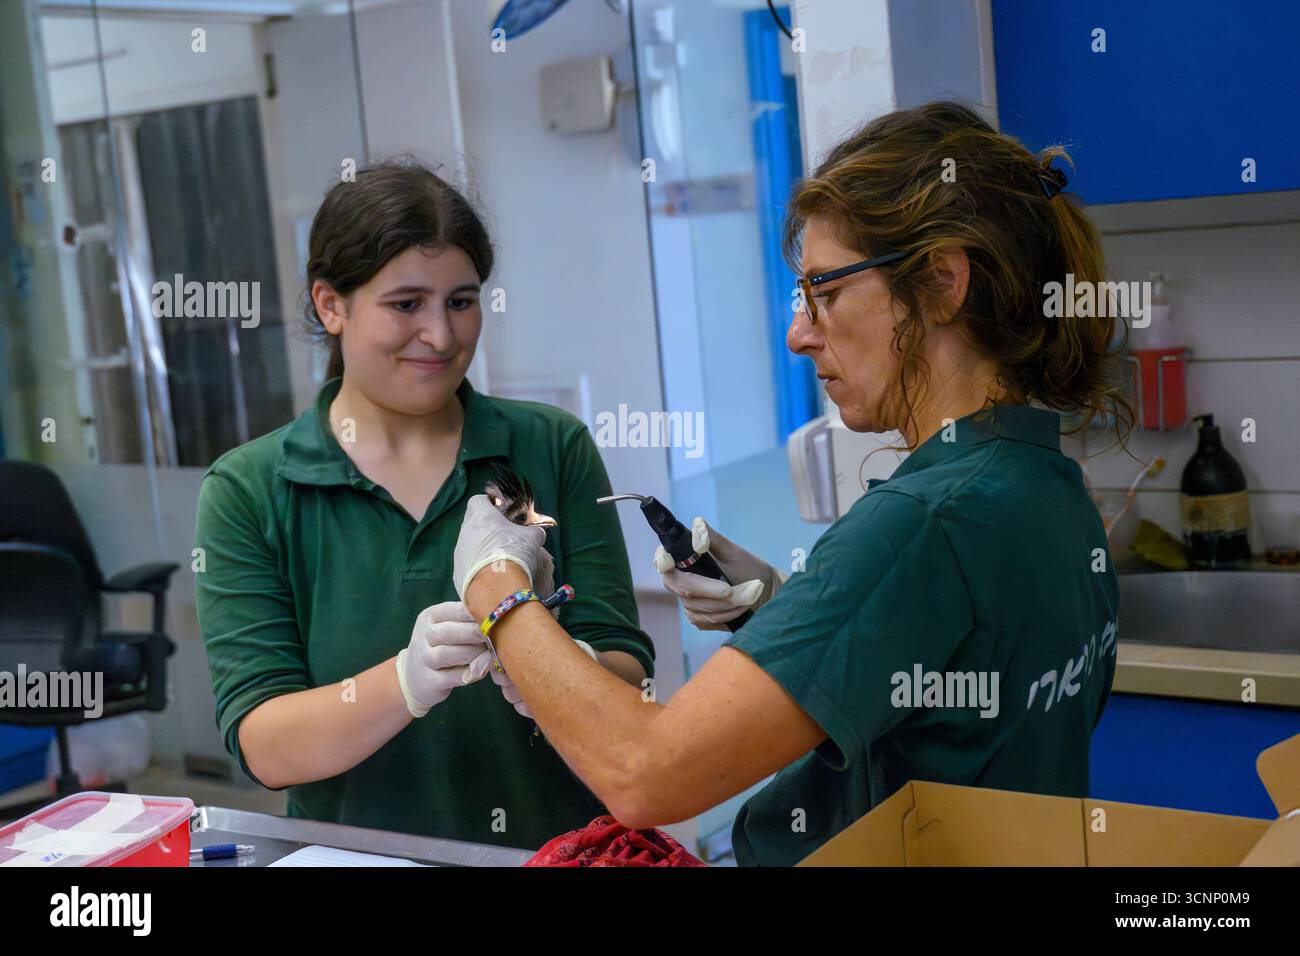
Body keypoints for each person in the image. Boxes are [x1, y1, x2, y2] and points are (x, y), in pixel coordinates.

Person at [452, 102, 1128, 866]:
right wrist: (785, 621)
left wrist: (495, 591)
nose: (799, 333)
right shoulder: (1050, 488)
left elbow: (644, 773)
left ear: (941, 284)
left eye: (826, 292)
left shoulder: (924, 519)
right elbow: (956, 720)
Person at [194, 162, 653, 849]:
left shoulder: (549, 446)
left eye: (461, 301)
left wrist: (563, 671)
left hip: (558, 854)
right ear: (331, 305)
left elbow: (627, 669)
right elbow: (265, 744)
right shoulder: (249, 491)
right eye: (406, 304)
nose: (441, 335)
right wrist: (405, 682)